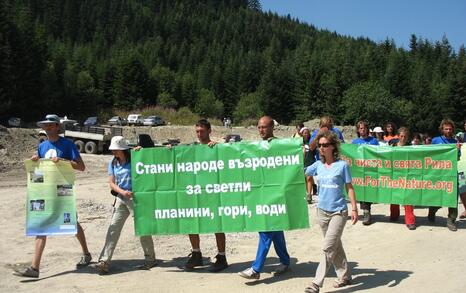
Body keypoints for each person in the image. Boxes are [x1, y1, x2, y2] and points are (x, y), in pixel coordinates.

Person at [14, 114, 91, 278]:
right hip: (47, 192)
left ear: (57, 126)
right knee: (41, 225)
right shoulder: (42, 146)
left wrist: (63, 161)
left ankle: (86, 254)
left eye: (51, 125)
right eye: (45, 125)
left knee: (72, 223)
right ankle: (34, 268)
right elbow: (41, 172)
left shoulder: (68, 145)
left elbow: (81, 167)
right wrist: (35, 162)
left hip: (63, 191)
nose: (47, 128)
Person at [304, 130, 358, 293]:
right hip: (322, 212)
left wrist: (354, 208)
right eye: (320, 145)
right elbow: (301, 171)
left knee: (328, 247)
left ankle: (316, 283)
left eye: (325, 145)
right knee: (335, 245)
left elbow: (349, 187)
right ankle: (345, 275)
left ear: (333, 147)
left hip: (338, 212)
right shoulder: (318, 166)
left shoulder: (342, 166)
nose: (321, 148)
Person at [238, 116, 291, 279]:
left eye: (264, 127)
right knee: (276, 229)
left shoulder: (279, 145)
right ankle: (285, 261)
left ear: (271, 128)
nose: (261, 130)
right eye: (259, 127)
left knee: (266, 229)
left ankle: (256, 269)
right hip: (262, 195)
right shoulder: (257, 146)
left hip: (275, 195)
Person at [95, 136, 156, 274]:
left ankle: (150, 258)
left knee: (142, 229)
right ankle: (104, 260)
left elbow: (151, 163)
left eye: (116, 149)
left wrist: (142, 153)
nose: (114, 152)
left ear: (123, 149)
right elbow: (111, 183)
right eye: (113, 150)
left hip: (137, 199)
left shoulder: (135, 158)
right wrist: (123, 192)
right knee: (113, 228)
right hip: (121, 198)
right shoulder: (112, 163)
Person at [184, 119, 228, 272]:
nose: (199, 134)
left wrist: (219, 147)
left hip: (213, 192)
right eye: (197, 131)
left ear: (209, 131)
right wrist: (170, 150)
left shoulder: (215, 147)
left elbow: (231, 156)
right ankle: (196, 254)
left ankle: (222, 257)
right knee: (191, 221)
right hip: (195, 191)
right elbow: (176, 160)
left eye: (202, 131)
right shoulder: (192, 148)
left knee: (217, 223)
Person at [427, 119, 464, 231]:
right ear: (442, 129)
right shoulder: (435, 140)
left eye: (450, 128)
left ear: (452, 129)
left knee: (452, 196)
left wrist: (457, 149)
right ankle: (433, 209)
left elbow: (457, 158)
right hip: (437, 172)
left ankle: (451, 220)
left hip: (451, 172)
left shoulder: (454, 142)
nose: (448, 130)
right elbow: (430, 154)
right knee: (438, 195)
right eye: (446, 128)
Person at [351, 121, 378, 225]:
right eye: (360, 128)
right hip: (359, 171)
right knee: (362, 191)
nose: (362, 130)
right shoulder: (354, 142)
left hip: (371, 170)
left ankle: (367, 210)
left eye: (364, 128)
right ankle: (366, 212)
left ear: (367, 129)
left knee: (369, 190)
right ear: (358, 130)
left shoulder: (374, 141)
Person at [389, 127, 416, 230]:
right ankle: (394, 216)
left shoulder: (410, 147)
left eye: (405, 136)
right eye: (401, 136)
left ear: (407, 137)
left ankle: (410, 221)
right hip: (394, 174)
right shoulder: (392, 146)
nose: (403, 138)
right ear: (398, 136)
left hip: (407, 174)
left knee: (407, 197)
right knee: (394, 195)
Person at [301, 127, 315, 204]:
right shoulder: (299, 142)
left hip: (310, 162)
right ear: (302, 134)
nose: (306, 134)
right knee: (305, 180)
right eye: (304, 133)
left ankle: (309, 195)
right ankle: (307, 193)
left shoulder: (311, 141)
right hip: (302, 163)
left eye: (307, 132)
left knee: (309, 178)